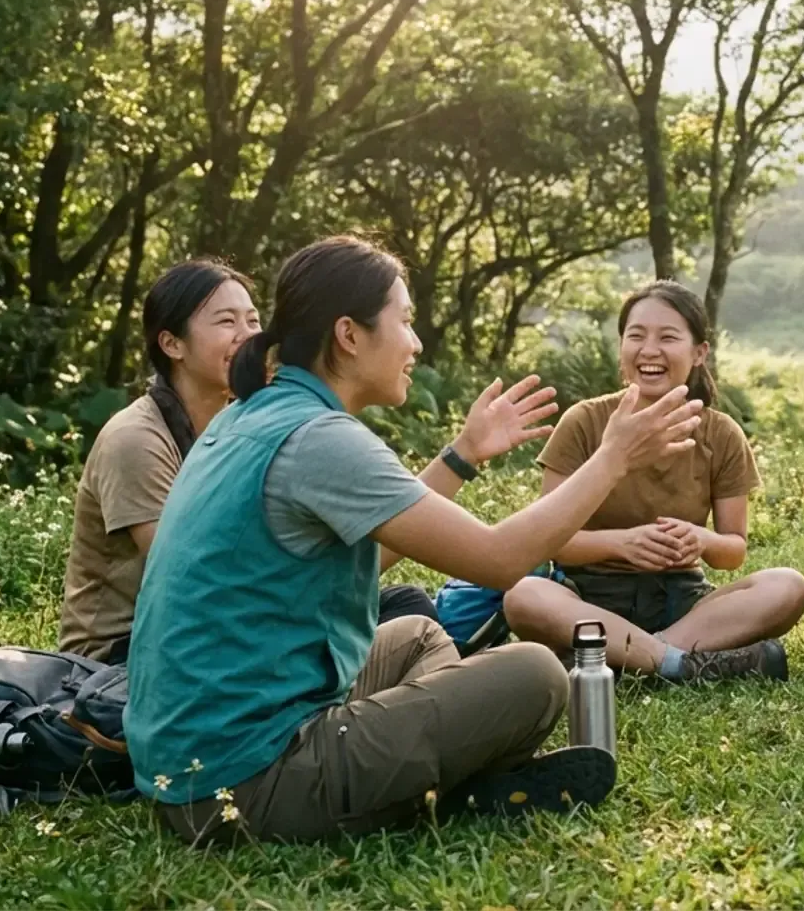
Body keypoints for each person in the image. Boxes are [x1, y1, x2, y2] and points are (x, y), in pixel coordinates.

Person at [124, 236, 704, 843]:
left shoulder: (252, 415)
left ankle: (446, 765)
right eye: (404, 321)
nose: (416, 342)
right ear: (349, 334)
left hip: (186, 765)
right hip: (245, 784)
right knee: (537, 675)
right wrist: (612, 459)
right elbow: (500, 560)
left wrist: (464, 453)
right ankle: (450, 782)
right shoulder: (319, 439)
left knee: (418, 635)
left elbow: (365, 557)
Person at [58, 260, 434, 665]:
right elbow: (193, 583)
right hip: (125, 655)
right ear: (172, 344)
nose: (247, 335)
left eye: (253, 320)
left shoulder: (243, 420)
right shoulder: (135, 439)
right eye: (226, 322)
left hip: (220, 630)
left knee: (405, 605)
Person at [503, 282, 804, 682]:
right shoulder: (584, 421)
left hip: (680, 601)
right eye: (636, 336)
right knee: (525, 596)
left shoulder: (722, 435)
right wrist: (622, 544)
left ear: (699, 353)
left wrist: (702, 540)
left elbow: (732, 551)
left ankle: (629, 661)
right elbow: (548, 541)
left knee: (788, 586)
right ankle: (678, 664)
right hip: (590, 600)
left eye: (668, 337)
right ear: (622, 348)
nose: (649, 350)